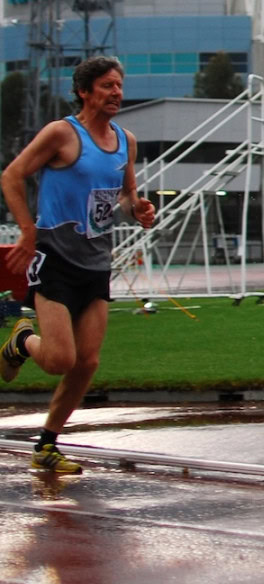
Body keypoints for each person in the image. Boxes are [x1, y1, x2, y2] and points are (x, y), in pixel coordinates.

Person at [1, 57, 157, 475]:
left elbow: (124, 199)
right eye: (107, 86)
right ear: (86, 92)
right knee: (58, 360)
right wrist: (27, 230)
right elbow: (12, 176)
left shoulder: (126, 140)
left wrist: (138, 209)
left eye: (120, 86)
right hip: (54, 257)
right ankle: (21, 343)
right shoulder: (61, 134)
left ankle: (47, 444)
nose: (116, 93)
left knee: (87, 362)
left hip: (95, 262)